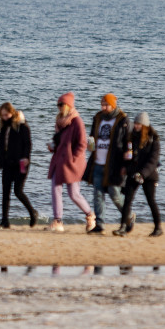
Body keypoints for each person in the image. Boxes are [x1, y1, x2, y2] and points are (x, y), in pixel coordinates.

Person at [47, 92, 96, 233]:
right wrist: (53, 146)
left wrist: (73, 158)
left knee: (73, 194)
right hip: (58, 161)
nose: (59, 107)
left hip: (73, 164)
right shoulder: (59, 121)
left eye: (61, 104)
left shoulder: (77, 121)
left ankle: (90, 215)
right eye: (58, 105)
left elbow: (82, 143)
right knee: (55, 188)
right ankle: (58, 221)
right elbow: (59, 141)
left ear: (68, 105)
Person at [84, 94, 130, 235]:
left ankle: (128, 216)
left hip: (114, 164)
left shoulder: (123, 120)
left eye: (106, 105)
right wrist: (90, 145)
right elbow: (92, 137)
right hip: (98, 162)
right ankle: (100, 224)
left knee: (114, 193)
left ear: (113, 105)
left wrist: (126, 163)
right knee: (97, 194)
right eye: (102, 104)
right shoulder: (98, 118)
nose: (103, 107)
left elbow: (128, 142)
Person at [114, 112, 163, 236]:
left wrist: (142, 174)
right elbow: (129, 155)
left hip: (149, 175)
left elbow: (153, 161)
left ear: (145, 125)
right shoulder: (132, 138)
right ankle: (123, 227)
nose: (135, 126)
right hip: (134, 173)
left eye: (138, 124)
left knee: (151, 200)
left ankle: (158, 227)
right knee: (127, 200)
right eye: (135, 123)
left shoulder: (154, 140)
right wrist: (125, 166)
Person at [0, 102, 38, 229]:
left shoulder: (21, 125)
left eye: (6, 115)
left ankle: (33, 213)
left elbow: (28, 143)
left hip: (21, 163)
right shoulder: (4, 127)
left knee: (18, 191)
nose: (4, 117)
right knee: (5, 192)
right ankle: (5, 221)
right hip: (7, 164)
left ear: (12, 113)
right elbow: (1, 145)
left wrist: (26, 158)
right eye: (2, 115)